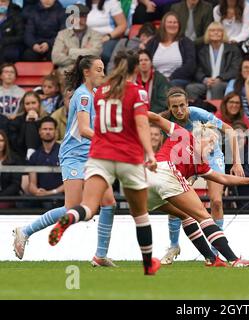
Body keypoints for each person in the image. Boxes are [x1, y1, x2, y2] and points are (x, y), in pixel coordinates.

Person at [47, 51, 160, 276]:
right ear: (136, 69)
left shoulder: (101, 93)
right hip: (127, 156)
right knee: (140, 214)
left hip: (100, 156)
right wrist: (150, 153)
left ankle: (71, 218)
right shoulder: (136, 91)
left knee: (89, 207)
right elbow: (140, 124)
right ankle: (148, 264)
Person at [12, 56, 116, 266]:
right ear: (87, 72)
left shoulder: (96, 95)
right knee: (75, 207)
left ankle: (100, 255)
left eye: (103, 69)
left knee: (109, 203)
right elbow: (85, 129)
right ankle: (25, 231)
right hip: (75, 155)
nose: (103, 74)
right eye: (98, 70)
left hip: (93, 156)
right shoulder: (83, 96)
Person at [145, 111, 249, 267]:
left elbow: (223, 178)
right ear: (200, 137)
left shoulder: (200, 164)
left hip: (146, 183)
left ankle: (212, 259)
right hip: (164, 171)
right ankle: (234, 259)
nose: (213, 147)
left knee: (186, 216)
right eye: (211, 141)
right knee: (204, 217)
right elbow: (156, 118)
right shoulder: (182, 133)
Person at [159, 87, 245, 265]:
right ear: (169, 107)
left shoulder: (198, 114)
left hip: (211, 156)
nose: (179, 110)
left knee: (216, 201)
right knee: (175, 200)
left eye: (182, 105)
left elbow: (229, 130)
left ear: (188, 103)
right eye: (175, 107)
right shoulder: (165, 121)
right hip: (185, 160)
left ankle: (216, 251)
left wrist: (236, 162)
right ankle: (174, 245)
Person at [186, 22, 242, 101]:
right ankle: (196, 112)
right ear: (208, 34)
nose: (216, 32)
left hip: (226, 82)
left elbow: (235, 70)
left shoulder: (233, 49)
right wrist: (205, 79)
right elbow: (197, 69)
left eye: (219, 31)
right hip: (207, 82)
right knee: (191, 88)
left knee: (217, 86)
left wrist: (220, 78)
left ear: (223, 34)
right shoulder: (201, 50)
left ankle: (217, 112)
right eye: (212, 30)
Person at [146, 11, 196, 88]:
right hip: (155, 79)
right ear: (163, 25)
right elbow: (145, 61)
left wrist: (170, 78)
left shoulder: (186, 42)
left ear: (179, 25)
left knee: (170, 85)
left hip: (178, 80)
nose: (172, 25)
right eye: (169, 22)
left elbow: (190, 65)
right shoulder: (153, 42)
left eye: (175, 22)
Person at [52, 3, 103, 75]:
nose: (80, 19)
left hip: (89, 73)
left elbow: (95, 55)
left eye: (83, 16)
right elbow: (56, 58)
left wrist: (69, 51)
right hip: (66, 73)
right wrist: (85, 54)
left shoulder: (96, 34)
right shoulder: (62, 34)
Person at [27, 116, 64, 209]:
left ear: (56, 131)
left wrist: (51, 192)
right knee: (22, 203)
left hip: (60, 196)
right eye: (45, 129)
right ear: (39, 131)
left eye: (51, 129)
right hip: (40, 196)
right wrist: (37, 191)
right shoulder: (34, 156)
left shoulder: (64, 153)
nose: (47, 132)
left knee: (48, 204)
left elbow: (71, 181)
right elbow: (32, 183)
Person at [8, 91, 47, 161]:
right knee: (30, 124)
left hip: (42, 152)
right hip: (21, 153)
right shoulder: (17, 120)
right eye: (27, 104)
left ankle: (31, 155)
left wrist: (37, 122)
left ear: (39, 104)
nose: (31, 106)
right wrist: (26, 123)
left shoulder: (46, 119)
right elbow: (14, 142)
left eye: (33, 103)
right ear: (24, 105)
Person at [86, 0, 128, 65]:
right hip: (88, 39)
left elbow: (122, 25)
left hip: (108, 38)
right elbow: (75, 26)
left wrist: (108, 36)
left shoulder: (112, 3)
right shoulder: (80, 3)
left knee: (104, 54)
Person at [136, 49, 172, 114]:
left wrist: (148, 114)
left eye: (146, 60)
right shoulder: (134, 79)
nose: (143, 63)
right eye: (140, 60)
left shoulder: (160, 79)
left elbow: (163, 102)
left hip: (155, 115)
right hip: (137, 114)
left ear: (151, 62)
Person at [0, 129, 22, 208]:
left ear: (5, 143)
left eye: (2, 141)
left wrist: (1, 196)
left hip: (8, 197)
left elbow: (15, 185)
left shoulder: (14, 159)